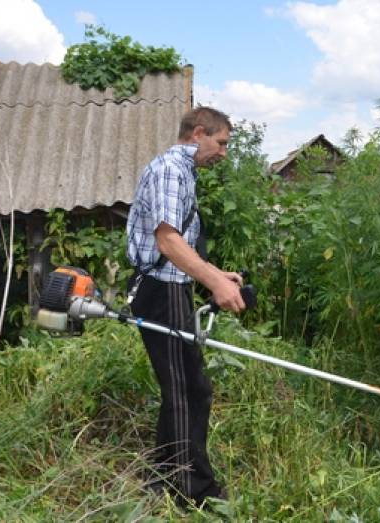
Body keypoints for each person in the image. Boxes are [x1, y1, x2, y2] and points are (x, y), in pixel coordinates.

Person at [126, 106, 245, 507]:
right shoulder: (170, 171)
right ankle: (193, 492)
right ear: (198, 133)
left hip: (170, 288)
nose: (224, 152)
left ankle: (163, 478)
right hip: (161, 291)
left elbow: (182, 246)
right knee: (187, 393)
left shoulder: (182, 173)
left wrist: (215, 272)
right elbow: (168, 241)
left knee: (187, 388)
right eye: (222, 143)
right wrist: (211, 282)